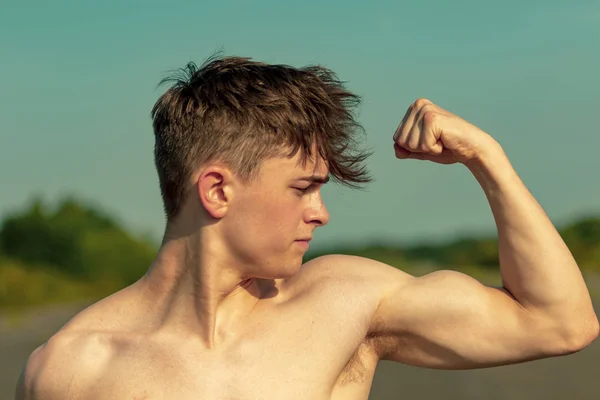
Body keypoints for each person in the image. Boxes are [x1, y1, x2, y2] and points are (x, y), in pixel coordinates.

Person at [16, 55, 598, 400]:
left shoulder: (343, 303)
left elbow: (558, 323)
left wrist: (486, 158)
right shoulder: (69, 371)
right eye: (303, 188)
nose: (321, 212)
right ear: (217, 190)